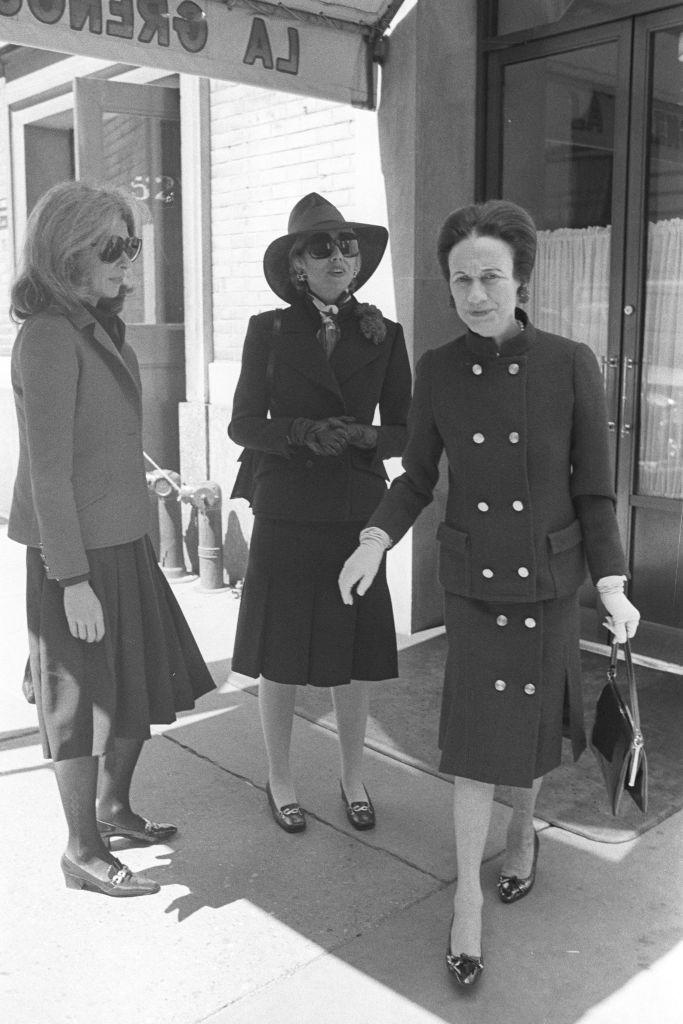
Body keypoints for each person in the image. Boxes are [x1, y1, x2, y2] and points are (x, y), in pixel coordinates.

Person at [339, 199, 640, 986]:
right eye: (460, 279)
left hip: (545, 582)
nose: (475, 293)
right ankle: (466, 900)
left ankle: (523, 834)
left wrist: (609, 581)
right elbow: (415, 478)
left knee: (531, 734)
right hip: (475, 585)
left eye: (490, 277)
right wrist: (374, 537)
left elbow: (594, 492)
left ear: (521, 280)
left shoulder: (569, 362)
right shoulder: (436, 370)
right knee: (475, 745)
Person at [8, 181, 215, 897]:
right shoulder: (47, 336)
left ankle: (116, 809)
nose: (129, 264)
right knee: (80, 703)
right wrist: (70, 581)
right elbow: (48, 471)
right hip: (76, 556)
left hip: (121, 541)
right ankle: (81, 849)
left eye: (132, 247)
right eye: (114, 250)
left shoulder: (97, 325)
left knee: (135, 690)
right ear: (67, 253)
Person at [228, 192, 411, 833]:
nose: (339, 256)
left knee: (353, 651)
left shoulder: (385, 334)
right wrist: (303, 432)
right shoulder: (270, 330)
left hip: (355, 511)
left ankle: (352, 774)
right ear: (297, 265)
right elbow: (242, 425)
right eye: (320, 247)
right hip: (285, 507)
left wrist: (363, 437)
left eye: (347, 245)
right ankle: (280, 778)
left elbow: (408, 432)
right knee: (280, 651)